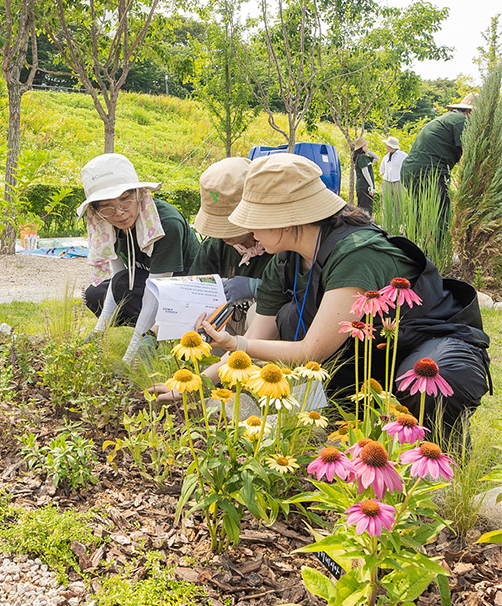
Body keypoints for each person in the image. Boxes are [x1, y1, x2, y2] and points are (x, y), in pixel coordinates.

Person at [156, 154, 491, 432]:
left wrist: (234, 342)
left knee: (429, 378)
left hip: (425, 343)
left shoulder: (357, 254)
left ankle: (444, 458)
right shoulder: (284, 260)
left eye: (253, 219)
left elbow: (309, 351)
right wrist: (194, 383)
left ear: (286, 218)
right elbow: (255, 345)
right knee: (289, 317)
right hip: (369, 353)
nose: (250, 231)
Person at [80, 153, 199, 363]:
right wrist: (98, 336)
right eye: (107, 206)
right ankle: (149, 330)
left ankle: (156, 334)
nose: (119, 213)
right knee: (95, 293)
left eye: (125, 200)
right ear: (95, 211)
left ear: (138, 194)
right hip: (149, 285)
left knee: (145, 306)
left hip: (187, 294)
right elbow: (118, 278)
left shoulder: (165, 225)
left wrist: (131, 356)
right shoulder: (108, 225)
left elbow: (156, 291)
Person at [190, 157, 273, 335]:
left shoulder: (278, 246)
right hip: (227, 326)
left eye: (228, 226)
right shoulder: (214, 247)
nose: (222, 235)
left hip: (268, 333)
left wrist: (257, 288)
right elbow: (194, 294)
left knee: (256, 312)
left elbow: (298, 294)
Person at [400, 93, 478, 229]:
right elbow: (470, 154)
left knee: (422, 217)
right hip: (429, 172)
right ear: (470, 111)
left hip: (411, 170)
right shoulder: (461, 120)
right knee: (442, 217)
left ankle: (420, 248)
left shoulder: (447, 119)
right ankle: (436, 247)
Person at [378, 136, 407, 225]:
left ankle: (397, 226)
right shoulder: (386, 157)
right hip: (387, 183)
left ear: (391, 146)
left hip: (398, 183)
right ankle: (386, 226)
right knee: (386, 206)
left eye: (387, 145)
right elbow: (381, 170)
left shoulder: (403, 155)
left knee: (398, 207)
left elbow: (407, 168)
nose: (386, 147)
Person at [352, 137, 377, 215]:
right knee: (365, 210)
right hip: (364, 186)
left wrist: (368, 152)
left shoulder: (363, 157)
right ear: (362, 147)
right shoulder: (362, 157)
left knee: (364, 209)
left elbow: (377, 158)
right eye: (366, 145)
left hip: (362, 186)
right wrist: (371, 186)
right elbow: (365, 172)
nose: (367, 147)